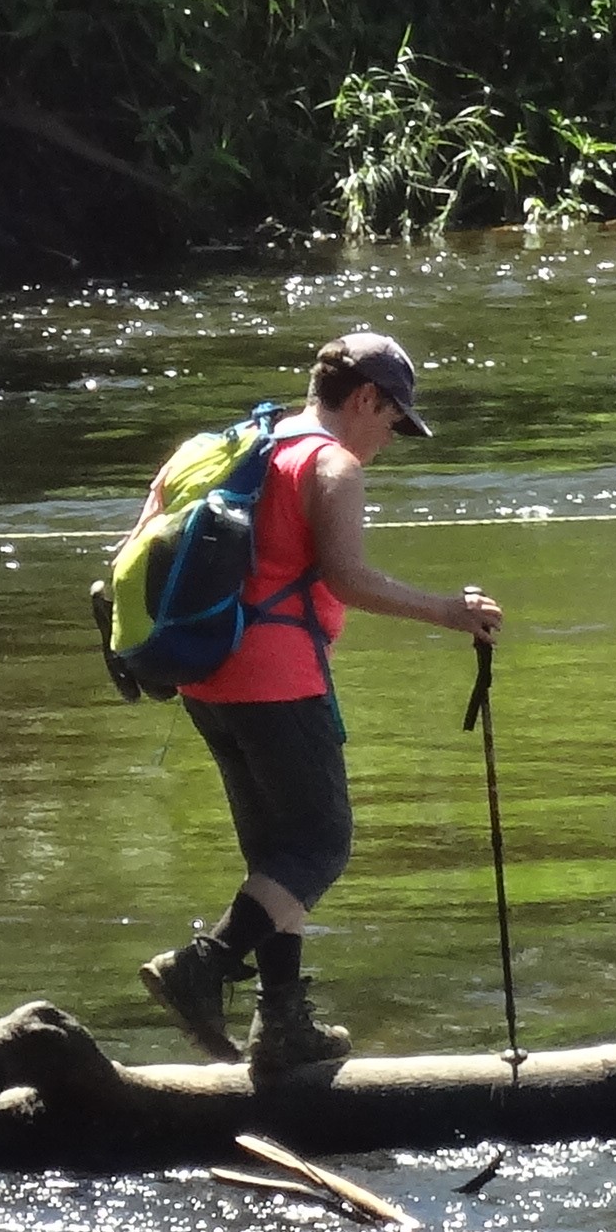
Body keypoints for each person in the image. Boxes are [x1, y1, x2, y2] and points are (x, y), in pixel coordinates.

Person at [142, 328, 499, 1081]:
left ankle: (283, 1028)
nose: (391, 441)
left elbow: (145, 537)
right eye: (394, 421)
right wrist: (449, 610)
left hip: (204, 674)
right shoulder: (328, 462)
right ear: (366, 399)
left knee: (277, 858)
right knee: (321, 844)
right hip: (279, 677)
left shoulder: (233, 447)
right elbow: (345, 578)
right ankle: (200, 968)